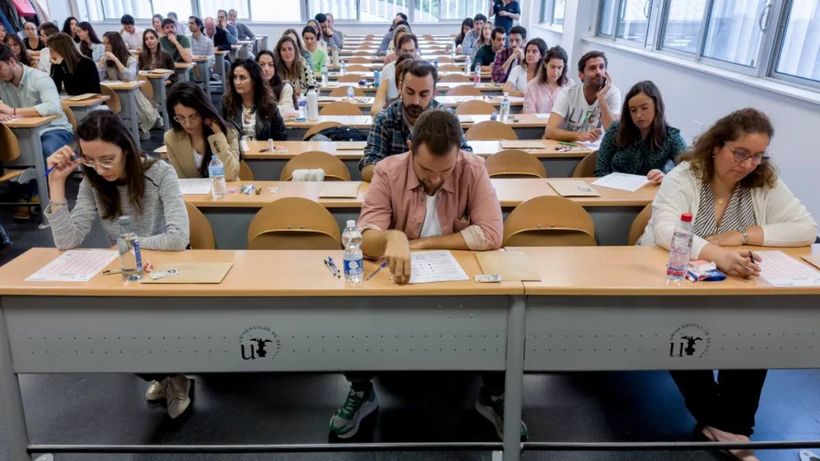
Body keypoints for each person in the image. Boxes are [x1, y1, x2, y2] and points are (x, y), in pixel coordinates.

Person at [330, 109, 526, 441]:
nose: (435, 179)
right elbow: (364, 237)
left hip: (458, 281)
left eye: (445, 171)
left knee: (501, 309)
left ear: (459, 154)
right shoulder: (388, 172)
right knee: (355, 302)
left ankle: (492, 396)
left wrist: (417, 244)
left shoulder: (473, 168)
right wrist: (391, 237)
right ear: (410, 147)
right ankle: (362, 389)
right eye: (425, 170)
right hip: (399, 284)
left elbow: (491, 234)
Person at [639, 108, 816, 461]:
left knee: (756, 328)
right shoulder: (686, 177)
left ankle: (730, 426)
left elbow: (806, 227)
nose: (749, 163)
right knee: (684, 329)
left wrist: (743, 235)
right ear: (717, 145)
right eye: (740, 153)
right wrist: (717, 253)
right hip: (669, 277)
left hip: (730, 284)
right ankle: (722, 424)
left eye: (758, 156)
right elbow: (666, 230)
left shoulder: (763, 182)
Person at [44, 110, 191, 418]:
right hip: (127, 273)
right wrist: (57, 184)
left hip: (169, 272)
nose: (100, 169)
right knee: (106, 334)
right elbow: (67, 241)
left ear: (125, 147)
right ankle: (165, 376)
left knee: (139, 325)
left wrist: (126, 246)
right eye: (90, 160)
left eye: (107, 159)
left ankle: (173, 377)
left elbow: (178, 238)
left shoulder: (160, 173)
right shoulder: (93, 183)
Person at [359, 59, 472, 181]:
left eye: (423, 94)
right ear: (400, 88)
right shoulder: (384, 119)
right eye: (410, 92)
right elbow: (368, 165)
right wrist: (408, 177)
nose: (415, 101)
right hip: (397, 194)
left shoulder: (448, 119)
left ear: (434, 93)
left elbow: (466, 159)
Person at [595, 81, 686, 182]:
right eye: (633, 110)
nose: (638, 115)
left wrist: (667, 177)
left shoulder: (671, 136)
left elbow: (688, 169)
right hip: (613, 192)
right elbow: (601, 170)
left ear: (656, 106)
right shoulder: (615, 130)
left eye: (644, 108)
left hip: (650, 195)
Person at [0, 43, 74, 163]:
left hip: (54, 129)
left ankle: (50, 181)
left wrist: (13, 111)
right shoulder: (2, 81)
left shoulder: (39, 78)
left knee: (44, 150)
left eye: (0, 68)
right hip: (21, 132)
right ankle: (19, 180)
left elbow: (53, 107)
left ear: (12, 62)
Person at [165, 82, 240, 180]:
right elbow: (180, 181)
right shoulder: (171, 138)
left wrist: (217, 136)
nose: (187, 124)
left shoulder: (229, 133)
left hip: (227, 192)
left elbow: (230, 175)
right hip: (194, 194)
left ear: (203, 111)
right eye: (181, 117)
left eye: (193, 116)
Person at [544, 50, 621, 146]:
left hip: (596, 152)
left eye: (602, 67)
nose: (598, 72)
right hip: (568, 148)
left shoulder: (613, 93)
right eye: (592, 68)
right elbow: (550, 131)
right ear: (581, 75)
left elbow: (613, 134)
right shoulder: (568, 93)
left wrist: (601, 98)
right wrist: (580, 136)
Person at [102, 32, 160, 141]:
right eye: (104, 43)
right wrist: (100, 66)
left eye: (108, 43)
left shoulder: (131, 60)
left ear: (115, 44)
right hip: (114, 96)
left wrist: (116, 59)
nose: (105, 46)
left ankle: (142, 125)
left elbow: (130, 77)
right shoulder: (106, 61)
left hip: (131, 95)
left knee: (142, 135)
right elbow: (100, 80)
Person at [221, 58, 286, 141]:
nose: (237, 82)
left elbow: (281, 138)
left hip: (262, 152)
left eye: (242, 78)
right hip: (235, 153)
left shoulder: (269, 105)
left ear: (254, 80)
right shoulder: (226, 103)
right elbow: (219, 135)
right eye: (235, 77)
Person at [371, 33, 418, 114]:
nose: (408, 54)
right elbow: (376, 108)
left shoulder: (424, 70)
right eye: (405, 51)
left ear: (416, 51)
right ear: (398, 51)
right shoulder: (388, 69)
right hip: (393, 112)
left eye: (411, 51)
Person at [523, 45, 572, 114]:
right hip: (538, 124)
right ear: (545, 65)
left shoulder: (570, 85)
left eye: (559, 67)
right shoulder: (532, 86)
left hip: (562, 125)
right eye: (552, 67)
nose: (555, 71)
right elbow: (529, 116)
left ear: (564, 67)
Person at [256, 50, 296, 116]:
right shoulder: (250, 87)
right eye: (262, 65)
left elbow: (286, 110)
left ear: (275, 68)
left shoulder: (285, 87)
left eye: (270, 65)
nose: (266, 69)